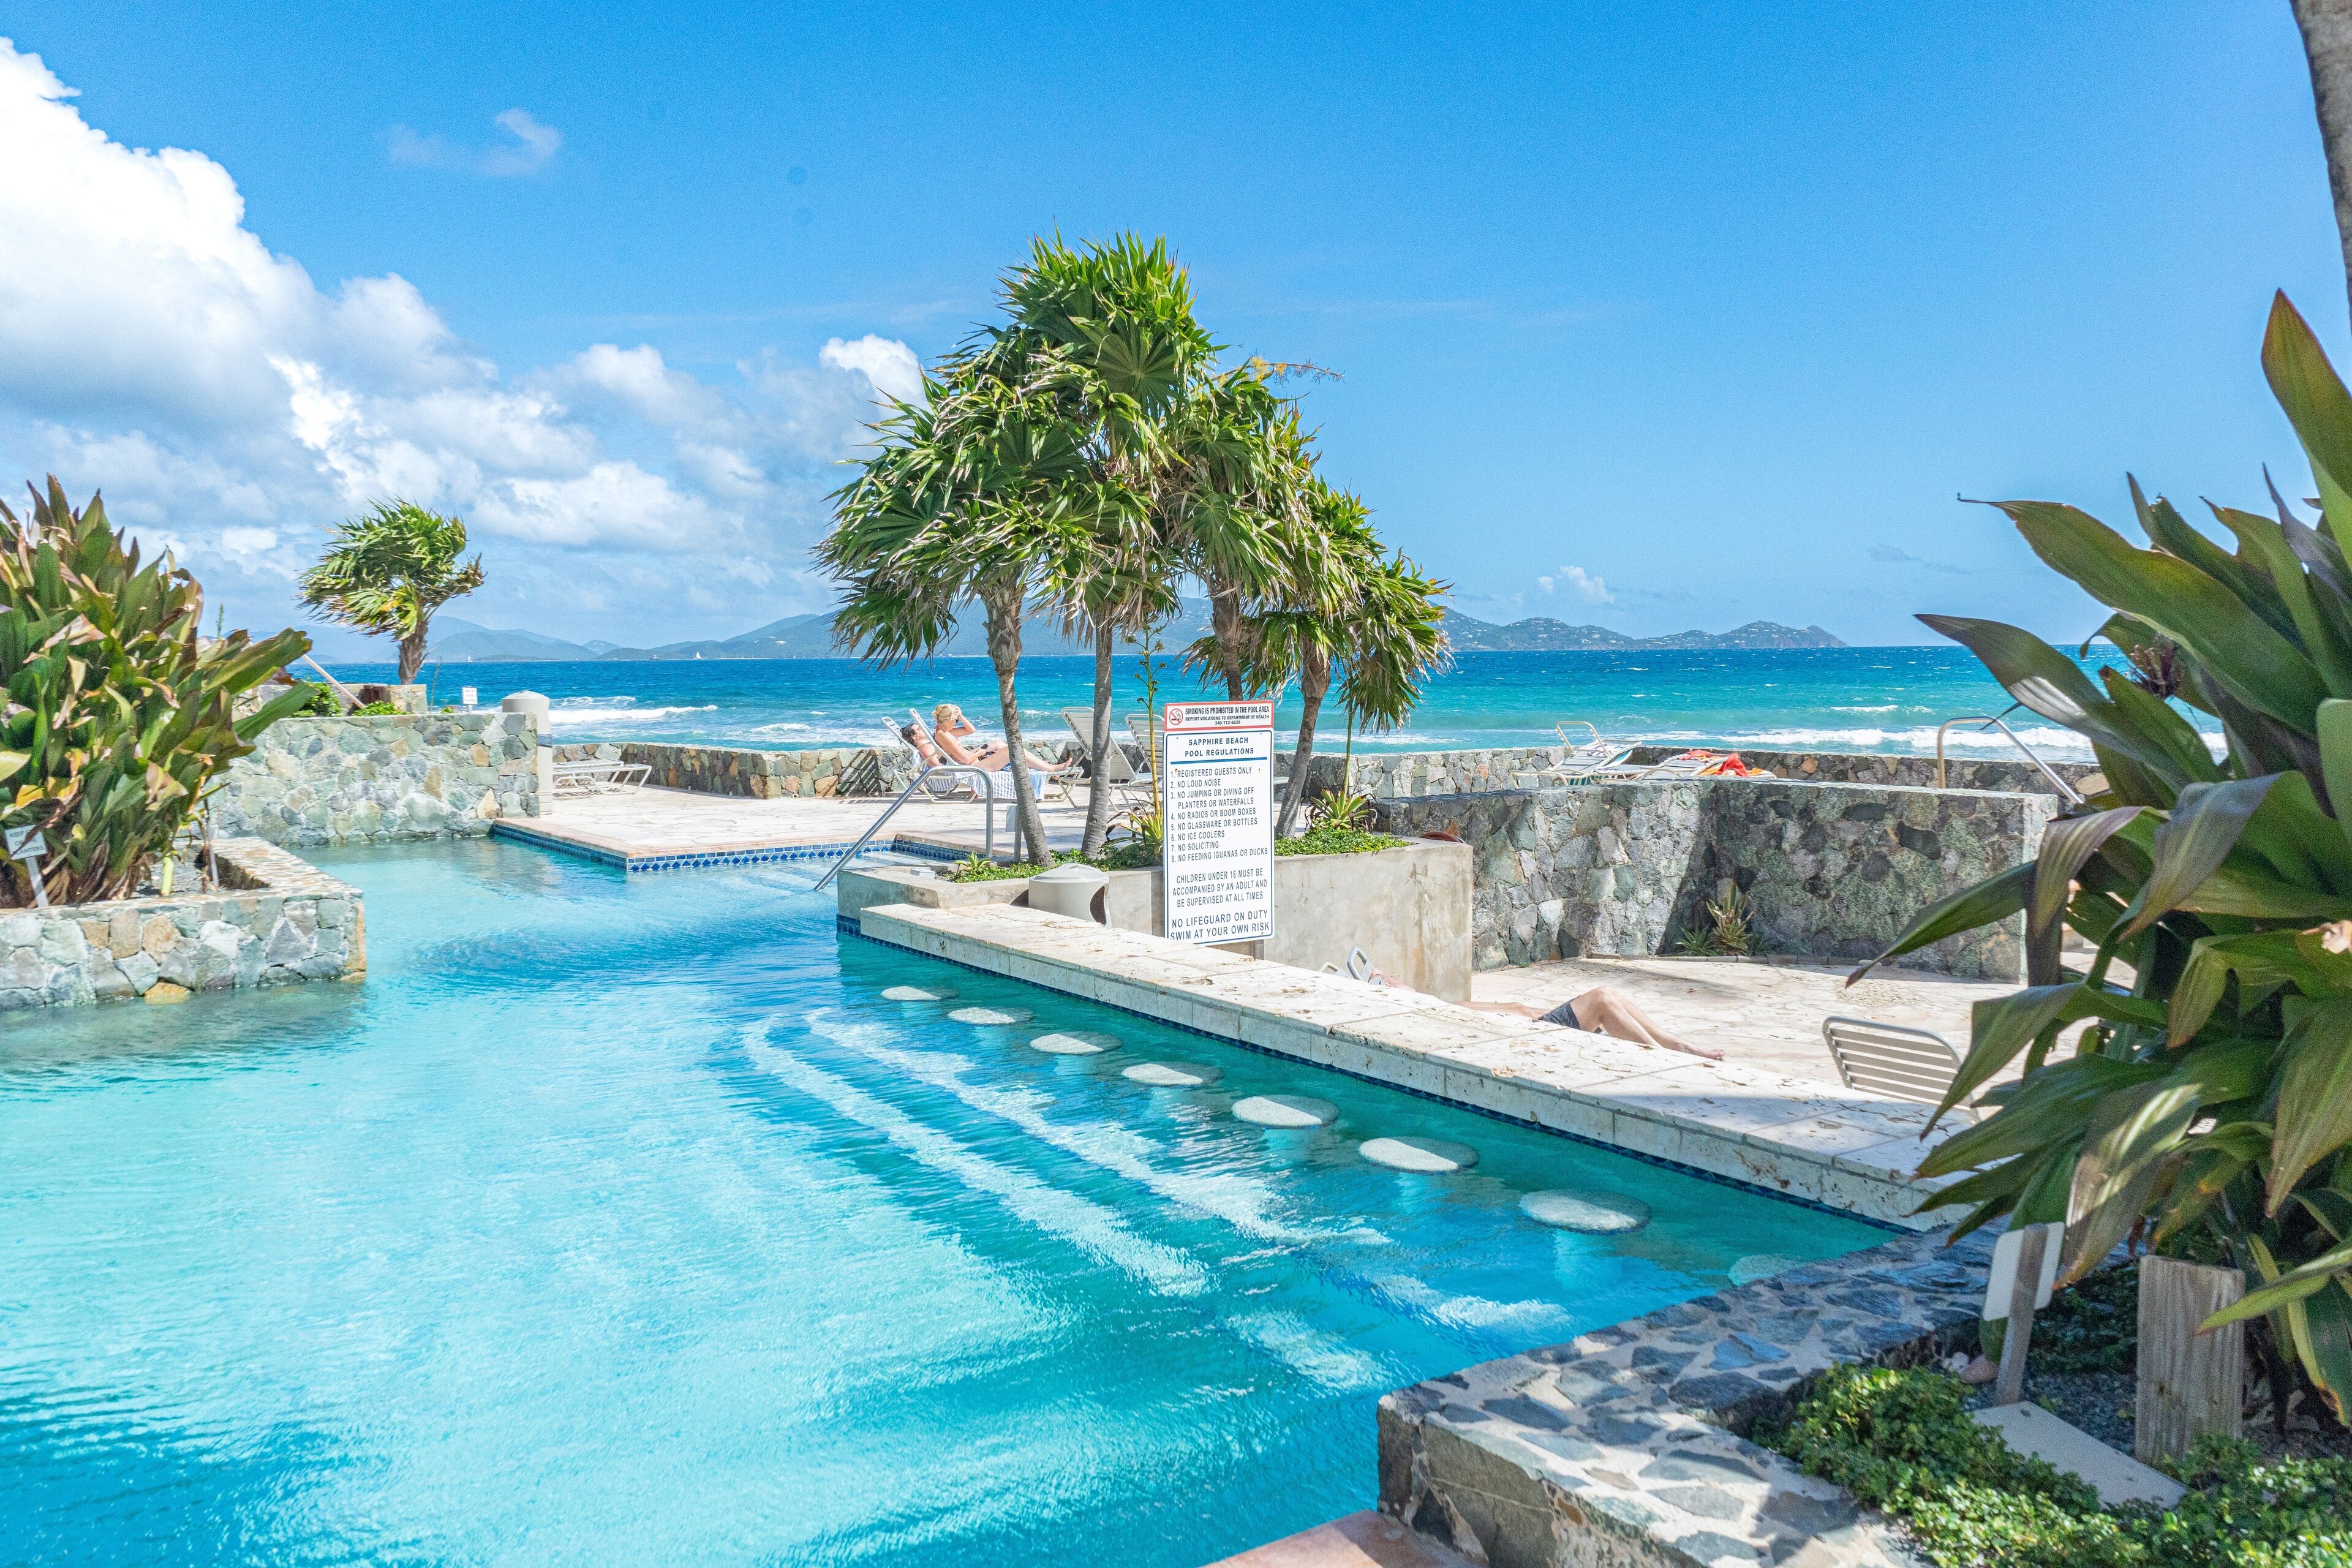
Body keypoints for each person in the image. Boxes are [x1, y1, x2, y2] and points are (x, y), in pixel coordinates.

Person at [1468, 985, 1723, 1060]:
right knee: (1601, 998)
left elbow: (1520, 1009)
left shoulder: (1450, 1003)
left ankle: (1677, 1045)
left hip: (1540, 1022)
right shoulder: (1443, 1007)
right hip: (1539, 1033)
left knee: (1609, 994)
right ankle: (1660, 1055)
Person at [925, 704, 1071, 777]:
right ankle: (1051, 769)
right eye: (956, 720)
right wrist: (981, 751)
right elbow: (966, 759)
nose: (957, 722)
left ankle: (1046, 765)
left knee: (998, 743)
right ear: (948, 720)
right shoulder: (943, 735)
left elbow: (971, 730)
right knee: (1011, 749)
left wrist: (962, 716)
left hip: (974, 760)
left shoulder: (945, 730)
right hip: (974, 766)